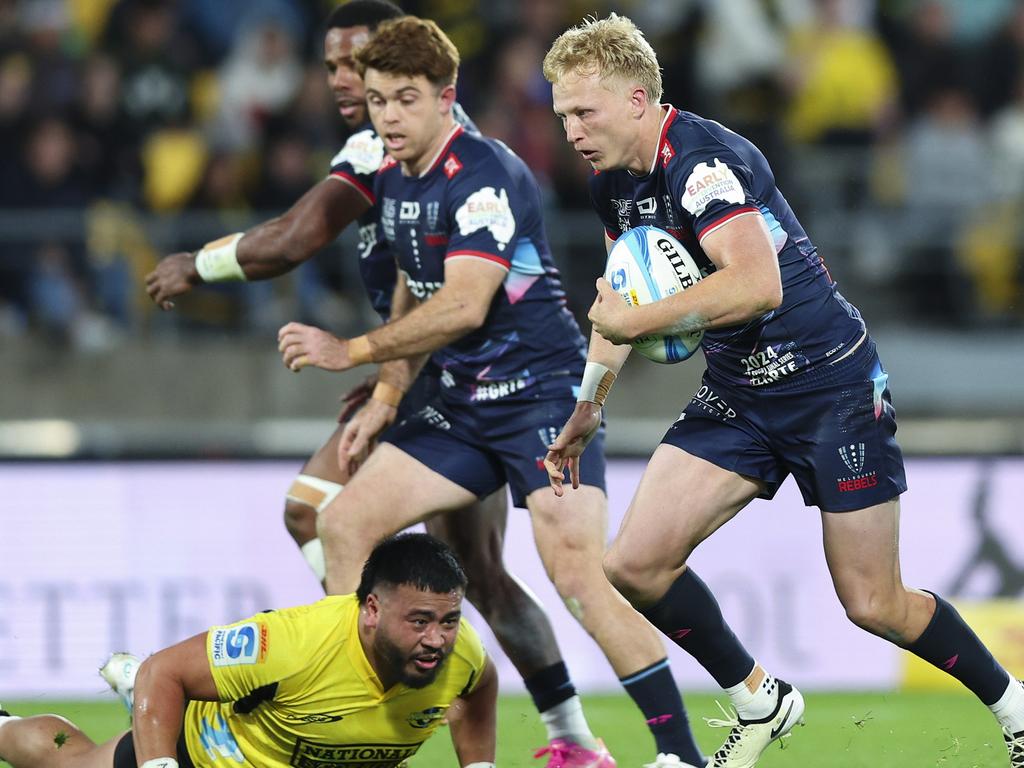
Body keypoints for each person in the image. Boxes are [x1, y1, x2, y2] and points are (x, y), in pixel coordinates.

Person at [540, 12, 1024, 768]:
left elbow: (757, 286)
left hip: (831, 386)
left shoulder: (702, 164)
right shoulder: (614, 186)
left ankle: (1016, 707)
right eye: (562, 113)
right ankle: (760, 698)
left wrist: (636, 319)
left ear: (636, 100)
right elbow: (619, 300)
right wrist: (587, 405)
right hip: (740, 394)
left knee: (874, 605)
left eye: (583, 110)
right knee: (632, 563)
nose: (570, 129)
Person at [142, 2, 604, 761]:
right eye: (332, 65)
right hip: (418, 376)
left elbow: (295, 238)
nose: (344, 78)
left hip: (462, 381)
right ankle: (450, 691)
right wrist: (386, 388)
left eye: (358, 61)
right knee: (369, 535)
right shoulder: (389, 150)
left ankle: (386, 689)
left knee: (402, 546)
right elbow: (412, 286)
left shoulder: (391, 153)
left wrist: (201, 263)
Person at [276, 16, 710, 768]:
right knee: (341, 526)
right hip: (461, 405)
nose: (387, 117)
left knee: (579, 574)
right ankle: (356, 722)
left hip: (540, 401)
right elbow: (416, 286)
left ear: (447, 98)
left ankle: (679, 754)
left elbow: (466, 302)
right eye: (376, 101)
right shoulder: (391, 175)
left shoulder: (485, 173)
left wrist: (351, 352)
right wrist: (386, 394)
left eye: (405, 99)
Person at [0, 533, 498, 768]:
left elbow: (480, 687)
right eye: (419, 621)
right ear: (371, 609)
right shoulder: (293, 643)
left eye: (448, 621)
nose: (437, 639)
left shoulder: (463, 655)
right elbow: (164, 671)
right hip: (211, 755)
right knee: (68, 764)